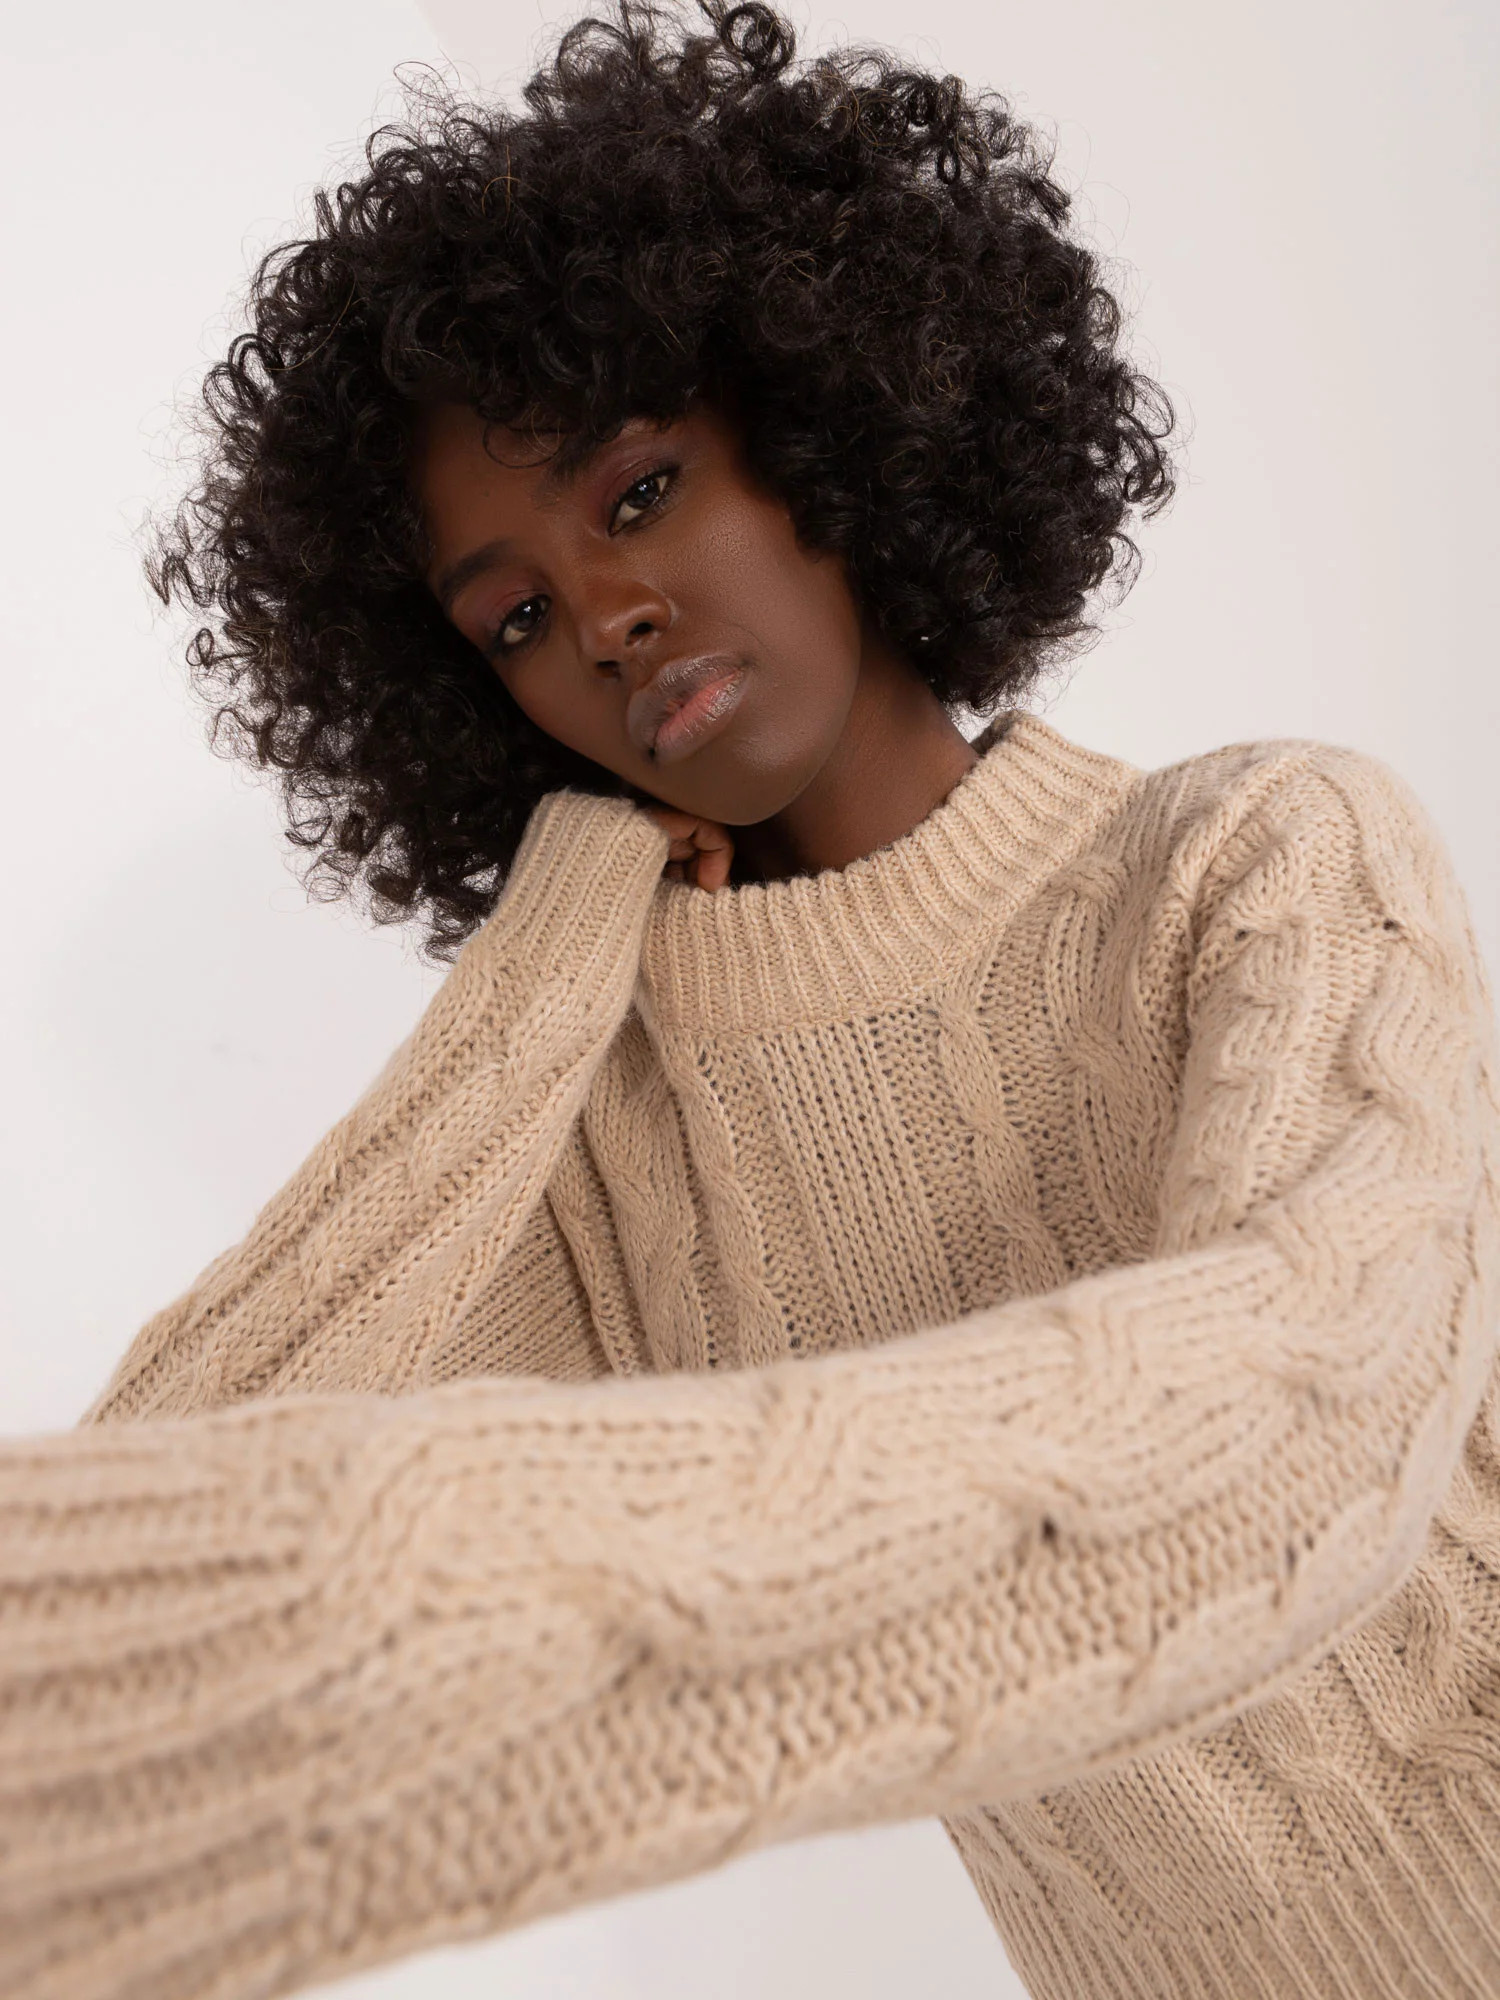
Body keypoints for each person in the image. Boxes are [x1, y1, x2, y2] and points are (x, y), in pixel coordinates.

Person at [4, 2, 1498, 1996]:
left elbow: (1287, 1439)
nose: (607, 617)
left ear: (825, 435)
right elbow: (130, 1616)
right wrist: (551, 951)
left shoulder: (1261, 860)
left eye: (638, 494)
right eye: (513, 619)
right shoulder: (629, 1144)